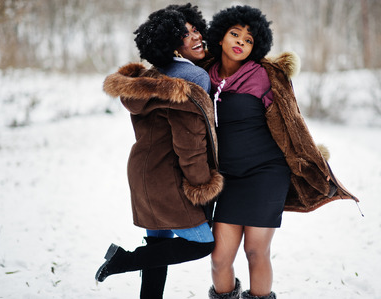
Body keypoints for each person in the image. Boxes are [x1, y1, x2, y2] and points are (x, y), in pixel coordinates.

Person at [201, 6, 358, 299]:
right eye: (235, 34)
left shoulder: (263, 76)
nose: (240, 42)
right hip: (228, 177)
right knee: (220, 257)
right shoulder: (203, 76)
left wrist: (309, 156)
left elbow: (292, 121)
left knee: (255, 251)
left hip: (266, 172)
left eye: (248, 40)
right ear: (220, 37)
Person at [95, 4, 223, 299]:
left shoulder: (155, 75)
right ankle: (123, 260)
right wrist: (202, 185)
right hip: (169, 174)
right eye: (185, 34)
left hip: (144, 171)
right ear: (171, 44)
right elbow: (188, 143)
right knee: (202, 243)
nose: (196, 37)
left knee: (159, 247)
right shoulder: (192, 80)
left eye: (196, 30)